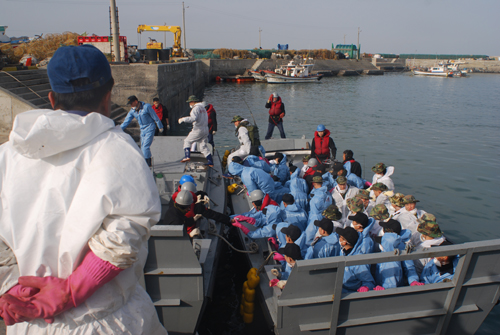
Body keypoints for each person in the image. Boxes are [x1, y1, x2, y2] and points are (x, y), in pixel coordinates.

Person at [0, 45, 166, 334]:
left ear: (52, 98)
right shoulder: (117, 149)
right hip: (107, 322)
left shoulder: (7, 155)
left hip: (31, 321)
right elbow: (126, 231)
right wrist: (70, 292)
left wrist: (12, 287)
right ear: (108, 94)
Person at [121, 95, 164, 166]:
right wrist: (119, 129)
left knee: (145, 147)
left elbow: (155, 116)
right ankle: (149, 160)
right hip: (142, 130)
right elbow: (126, 121)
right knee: (143, 147)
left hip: (150, 127)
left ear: (136, 101)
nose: (131, 105)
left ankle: (147, 164)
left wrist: (160, 126)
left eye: (132, 103)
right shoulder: (132, 111)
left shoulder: (146, 107)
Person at [336, 227, 381, 293]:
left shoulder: (358, 262)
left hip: (351, 293)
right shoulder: (342, 252)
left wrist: (366, 287)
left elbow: (369, 281)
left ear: (345, 242)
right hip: (341, 288)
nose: (338, 238)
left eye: (340, 237)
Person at [179, 95, 213, 166]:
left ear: (193, 101)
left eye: (190, 102)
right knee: (203, 146)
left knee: (187, 141)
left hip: (198, 129)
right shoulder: (203, 109)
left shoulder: (195, 108)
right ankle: (210, 161)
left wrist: (183, 119)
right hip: (205, 129)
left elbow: (193, 118)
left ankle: (187, 156)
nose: (189, 104)